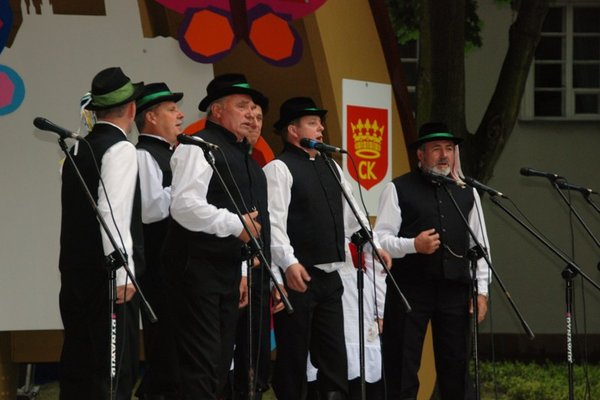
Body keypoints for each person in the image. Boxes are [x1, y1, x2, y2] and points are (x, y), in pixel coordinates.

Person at [264, 97, 391, 400]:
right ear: (293, 130)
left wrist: (374, 245)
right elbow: (274, 225)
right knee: (294, 357)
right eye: (312, 122)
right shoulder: (279, 169)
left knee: (333, 359)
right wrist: (289, 263)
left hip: (330, 279)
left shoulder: (331, 166)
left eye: (320, 122)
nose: (321, 128)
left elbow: (353, 216)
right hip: (299, 277)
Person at [162, 73, 270, 399]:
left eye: (254, 108)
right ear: (217, 110)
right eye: (242, 106)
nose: (251, 113)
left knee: (221, 362)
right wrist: (235, 224)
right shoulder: (198, 147)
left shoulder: (245, 157)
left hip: (224, 273)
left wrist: (239, 271)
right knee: (202, 364)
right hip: (194, 270)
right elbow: (184, 205)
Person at [374, 122, 491, 399]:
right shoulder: (398, 188)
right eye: (436, 149)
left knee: (456, 367)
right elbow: (380, 241)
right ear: (421, 155)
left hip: (455, 291)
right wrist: (413, 245)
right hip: (408, 290)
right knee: (402, 367)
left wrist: (482, 292)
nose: (444, 155)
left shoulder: (467, 192)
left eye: (449, 149)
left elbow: (480, 246)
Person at [58, 67, 144, 400]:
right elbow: (113, 213)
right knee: (112, 372)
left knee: (79, 366)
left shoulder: (77, 150)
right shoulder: (120, 149)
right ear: (132, 109)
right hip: (107, 279)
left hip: (76, 275)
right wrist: (124, 273)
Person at [133, 82, 185, 399]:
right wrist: (185, 188)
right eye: (171, 109)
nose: (180, 114)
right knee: (166, 346)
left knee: (179, 346)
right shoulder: (143, 155)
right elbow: (151, 211)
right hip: (159, 269)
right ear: (151, 117)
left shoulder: (174, 154)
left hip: (180, 268)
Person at [231, 103, 274, 400]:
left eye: (260, 119)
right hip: (235, 273)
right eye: (250, 117)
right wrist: (243, 269)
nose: (255, 124)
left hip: (260, 275)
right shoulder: (228, 164)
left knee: (255, 353)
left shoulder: (257, 169)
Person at [307, 244, 387, 400]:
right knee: (327, 362)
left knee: (360, 373)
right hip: (320, 293)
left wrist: (381, 311)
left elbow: (375, 265)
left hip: (356, 299)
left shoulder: (356, 227)